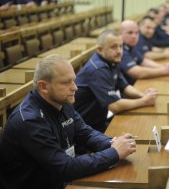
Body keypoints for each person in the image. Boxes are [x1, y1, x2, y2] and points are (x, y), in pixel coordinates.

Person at [0, 55, 136, 189]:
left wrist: (113, 143)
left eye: (74, 80)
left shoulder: (61, 101)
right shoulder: (29, 121)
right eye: (66, 82)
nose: (75, 88)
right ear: (43, 87)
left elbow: (86, 133)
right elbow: (65, 167)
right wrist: (114, 153)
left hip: (59, 180)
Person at [74, 29, 157, 133]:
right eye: (114, 47)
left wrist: (142, 95)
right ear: (100, 49)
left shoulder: (111, 60)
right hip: (86, 130)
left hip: (99, 122)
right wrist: (144, 101)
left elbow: (125, 86)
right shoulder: (97, 69)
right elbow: (115, 106)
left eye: (121, 46)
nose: (119, 51)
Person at [119, 20, 169, 85]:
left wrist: (162, 66)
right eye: (130, 33)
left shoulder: (131, 46)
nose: (134, 36)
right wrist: (162, 71)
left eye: (136, 33)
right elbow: (137, 73)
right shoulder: (120, 49)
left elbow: (143, 61)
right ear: (120, 34)